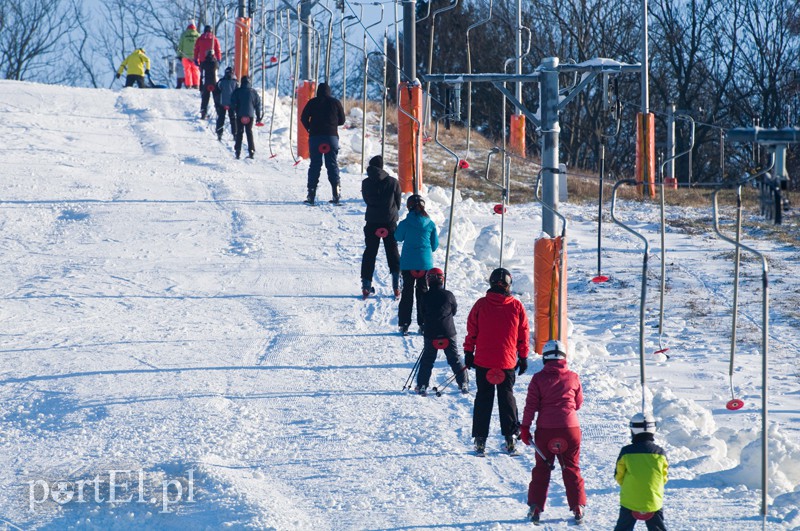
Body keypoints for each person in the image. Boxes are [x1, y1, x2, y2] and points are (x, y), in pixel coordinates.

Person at [519, 340, 587, 525]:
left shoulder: (538, 379)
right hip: (570, 430)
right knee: (571, 468)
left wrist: (525, 428)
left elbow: (530, 406)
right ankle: (578, 507)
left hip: (546, 431)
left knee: (542, 468)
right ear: (564, 357)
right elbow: (578, 403)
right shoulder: (573, 377)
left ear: (544, 358)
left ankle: (535, 507)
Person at [463, 267, 530, 456]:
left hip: (484, 361)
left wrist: (469, 352)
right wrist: (523, 356)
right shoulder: (516, 306)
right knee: (507, 398)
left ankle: (480, 441)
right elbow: (523, 335)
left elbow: (471, 331)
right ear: (509, 285)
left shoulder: (481, 304)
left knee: (483, 398)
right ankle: (510, 439)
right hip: (506, 361)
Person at [415, 268, 468, 395]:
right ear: (442, 279)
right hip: (448, 332)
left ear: (428, 281)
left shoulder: (425, 296)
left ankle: (422, 385)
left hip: (431, 333)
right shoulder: (448, 295)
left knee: (428, 359)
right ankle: (463, 383)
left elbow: (421, 314)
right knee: (454, 358)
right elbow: (454, 311)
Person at [613, 413, 669, 531]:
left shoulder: (626, 452)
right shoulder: (660, 453)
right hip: (653, 500)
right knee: (657, 527)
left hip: (630, 499)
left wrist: (629, 485)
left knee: (623, 527)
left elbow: (619, 475)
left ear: (632, 430)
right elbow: (664, 477)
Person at [394, 195, 438, 335]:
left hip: (408, 264)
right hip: (425, 264)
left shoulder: (405, 223)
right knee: (423, 293)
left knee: (407, 293)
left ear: (409, 207)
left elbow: (398, 237)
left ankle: (404, 324)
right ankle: (424, 323)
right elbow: (435, 245)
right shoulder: (430, 223)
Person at [360, 155, 401, 299]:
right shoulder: (393, 182)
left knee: (370, 252)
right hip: (389, 222)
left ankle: (366, 285)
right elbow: (398, 202)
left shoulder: (365, 183)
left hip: (372, 222)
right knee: (392, 251)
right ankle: (396, 284)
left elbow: (366, 200)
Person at [300, 82, 346, 205]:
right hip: (331, 138)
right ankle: (336, 194)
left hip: (316, 137)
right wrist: (332, 124)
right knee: (332, 165)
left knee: (315, 165)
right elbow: (342, 120)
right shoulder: (335, 102)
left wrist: (310, 128)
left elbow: (303, 118)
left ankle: (311, 195)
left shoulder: (312, 102)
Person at [230, 75, 262, 159]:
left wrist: (235, 111)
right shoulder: (254, 92)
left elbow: (232, 103)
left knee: (239, 133)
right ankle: (251, 151)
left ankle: (238, 151)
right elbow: (258, 105)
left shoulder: (237, 91)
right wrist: (258, 117)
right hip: (250, 116)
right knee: (249, 132)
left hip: (240, 115)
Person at [214, 66, 238, 141]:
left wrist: (216, 103)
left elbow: (216, 92)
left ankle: (219, 133)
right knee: (233, 119)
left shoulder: (221, 82)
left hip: (222, 103)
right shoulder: (235, 82)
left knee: (221, 118)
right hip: (232, 104)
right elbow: (237, 93)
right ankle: (235, 134)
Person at [178, 22, 200, 89]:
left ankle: (188, 85)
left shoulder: (184, 35)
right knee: (196, 70)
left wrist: (179, 55)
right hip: (196, 56)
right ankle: (196, 84)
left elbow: (180, 46)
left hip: (185, 55)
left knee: (187, 70)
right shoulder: (198, 35)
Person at [198, 50, 218, 119]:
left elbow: (201, 75)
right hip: (214, 82)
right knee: (216, 98)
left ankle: (203, 112)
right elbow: (216, 73)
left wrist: (201, 87)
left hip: (206, 83)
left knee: (205, 99)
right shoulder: (215, 63)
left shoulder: (203, 63)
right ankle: (219, 112)